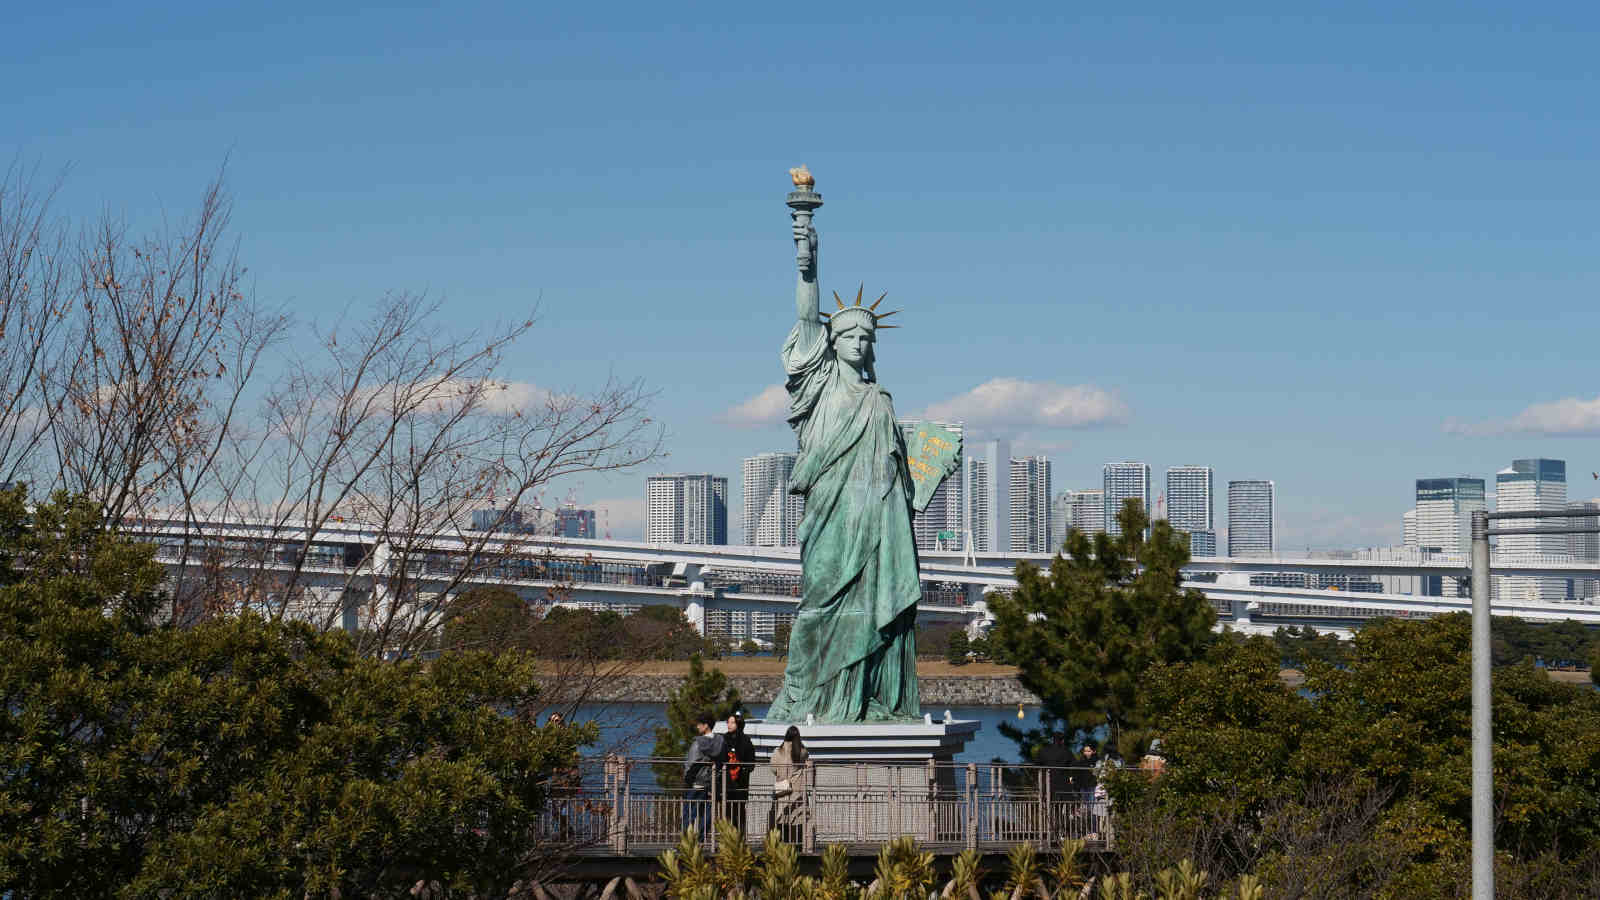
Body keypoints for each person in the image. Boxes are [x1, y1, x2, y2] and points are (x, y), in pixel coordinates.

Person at [766, 189, 938, 724]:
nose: (861, 342)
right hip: (832, 516)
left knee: (879, 610)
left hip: (880, 522)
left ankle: (870, 699)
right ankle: (809, 698)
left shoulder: (880, 400)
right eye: (851, 335)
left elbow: (901, 476)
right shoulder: (816, 385)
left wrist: (931, 471)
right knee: (820, 604)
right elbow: (805, 312)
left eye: (868, 337)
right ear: (832, 341)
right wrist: (807, 256)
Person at [682, 712, 724, 840]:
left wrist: (687, 779)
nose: (697, 727)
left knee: (688, 813)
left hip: (697, 782)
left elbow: (691, 764)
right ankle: (701, 838)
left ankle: (687, 841)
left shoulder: (698, 743)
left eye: (699, 725)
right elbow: (722, 762)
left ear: (706, 726)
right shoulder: (720, 742)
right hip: (712, 783)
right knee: (708, 813)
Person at [767, 725, 809, 844]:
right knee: (796, 821)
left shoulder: (778, 751)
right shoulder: (802, 752)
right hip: (797, 790)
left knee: (780, 820)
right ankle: (795, 845)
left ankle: (780, 845)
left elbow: (773, 769)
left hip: (782, 790)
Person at [723, 713, 757, 835]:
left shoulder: (746, 741)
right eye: (728, 722)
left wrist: (741, 768)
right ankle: (729, 839)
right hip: (727, 783)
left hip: (741, 783)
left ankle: (741, 838)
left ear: (738, 724)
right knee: (727, 812)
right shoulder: (724, 739)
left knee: (740, 811)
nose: (729, 724)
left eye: (732, 722)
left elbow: (751, 763)